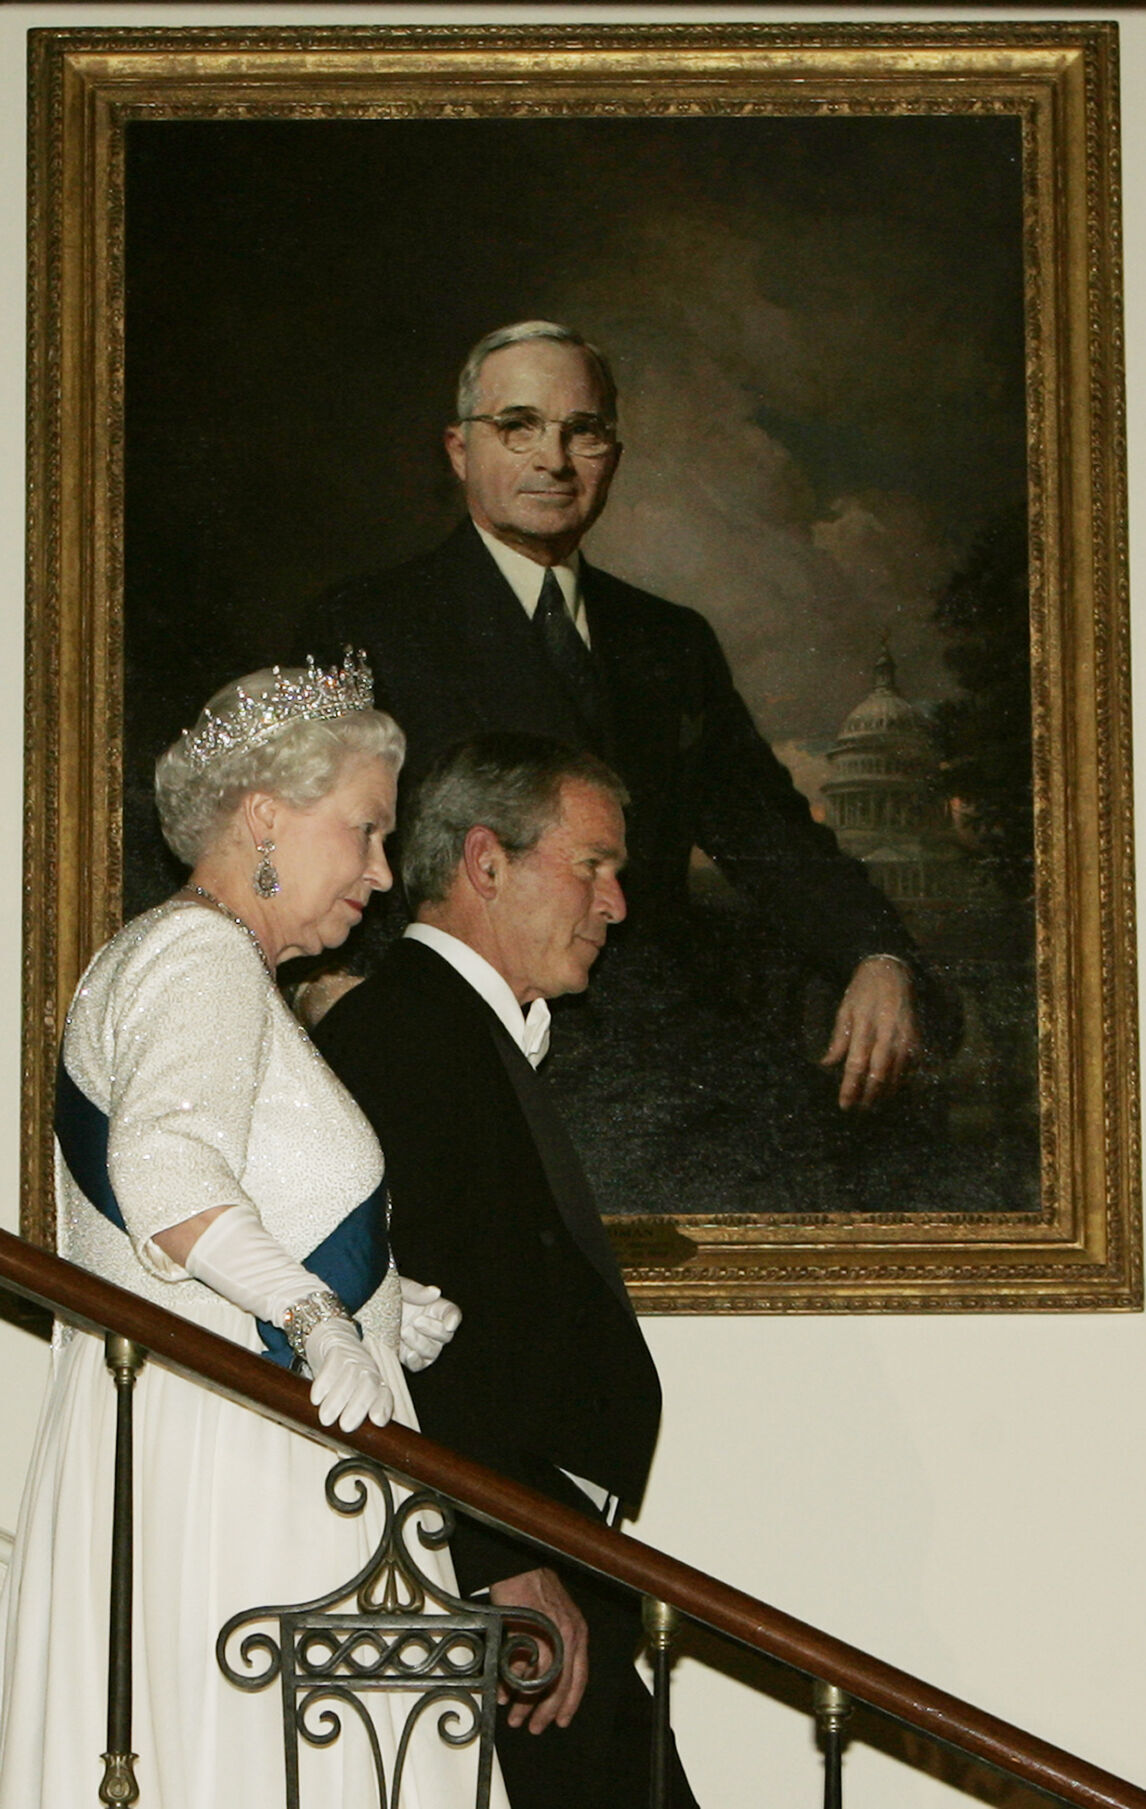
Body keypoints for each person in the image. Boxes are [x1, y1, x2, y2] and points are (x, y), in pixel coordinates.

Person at [0, 655, 510, 1809]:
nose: (383, 875)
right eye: (367, 831)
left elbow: (218, 1184)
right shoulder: (200, 957)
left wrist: (380, 1303)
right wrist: (317, 1312)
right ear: (266, 816)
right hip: (235, 1440)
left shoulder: (186, 956)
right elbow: (164, 1168)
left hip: (219, 1419)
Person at [303, 320, 956, 1216]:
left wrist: (873, 952)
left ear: (613, 454)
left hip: (663, 1040)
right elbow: (312, 839)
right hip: (463, 1042)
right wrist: (334, 993)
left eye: (584, 431)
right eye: (519, 427)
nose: (555, 460)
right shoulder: (370, 623)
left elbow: (767, 833)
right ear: (460, 449)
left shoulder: (670, 641)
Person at [311, 732, 698, 1809]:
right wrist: (494, 1558)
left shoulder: (444, 1031)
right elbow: (396, 1311)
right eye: (593, 865)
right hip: (487, 1572)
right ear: (486, 862)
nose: (616, 904)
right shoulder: (409, 1038)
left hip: (530, 1561)